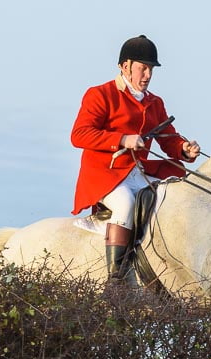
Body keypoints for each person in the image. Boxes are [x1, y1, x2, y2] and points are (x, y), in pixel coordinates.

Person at [70, 35, 201, 285]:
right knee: (126, 204)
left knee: (175, 195)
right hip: (106, 175)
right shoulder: (100, 94)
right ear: (125, 66)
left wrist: (184, 148)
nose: (148, 74)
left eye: (151, 69)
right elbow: (79, 135)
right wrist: (122, 139)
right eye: (143, 68)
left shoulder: (154, 102)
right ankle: (115, 280)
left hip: (137, 173)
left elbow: (168, 139)